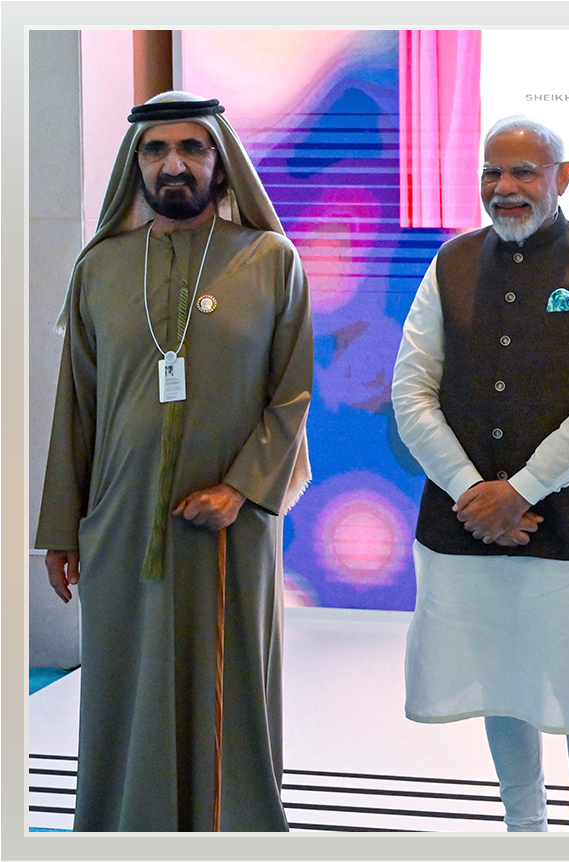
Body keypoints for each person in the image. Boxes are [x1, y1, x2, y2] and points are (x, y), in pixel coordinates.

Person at [37, 90, 312, 831]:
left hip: (232, 528)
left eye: (193, 147)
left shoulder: (270, 261)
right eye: (156, 149)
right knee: (123, 683)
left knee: (230, 683)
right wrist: (61, 528)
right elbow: (76, 406)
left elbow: (291, 397)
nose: (174, 164)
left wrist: (240, 490)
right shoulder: (101, 268)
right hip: (120, 522)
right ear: (136, 164)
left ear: (221, 162)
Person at [391, 116, 569, 832]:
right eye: (492, 171)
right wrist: (474, 495)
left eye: (523, 172)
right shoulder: (451, 262)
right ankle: (523, 831)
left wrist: (521, 492)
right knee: (501, 679)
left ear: (562, 178)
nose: (504, 187)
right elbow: (411, 390)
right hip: (470, 524)